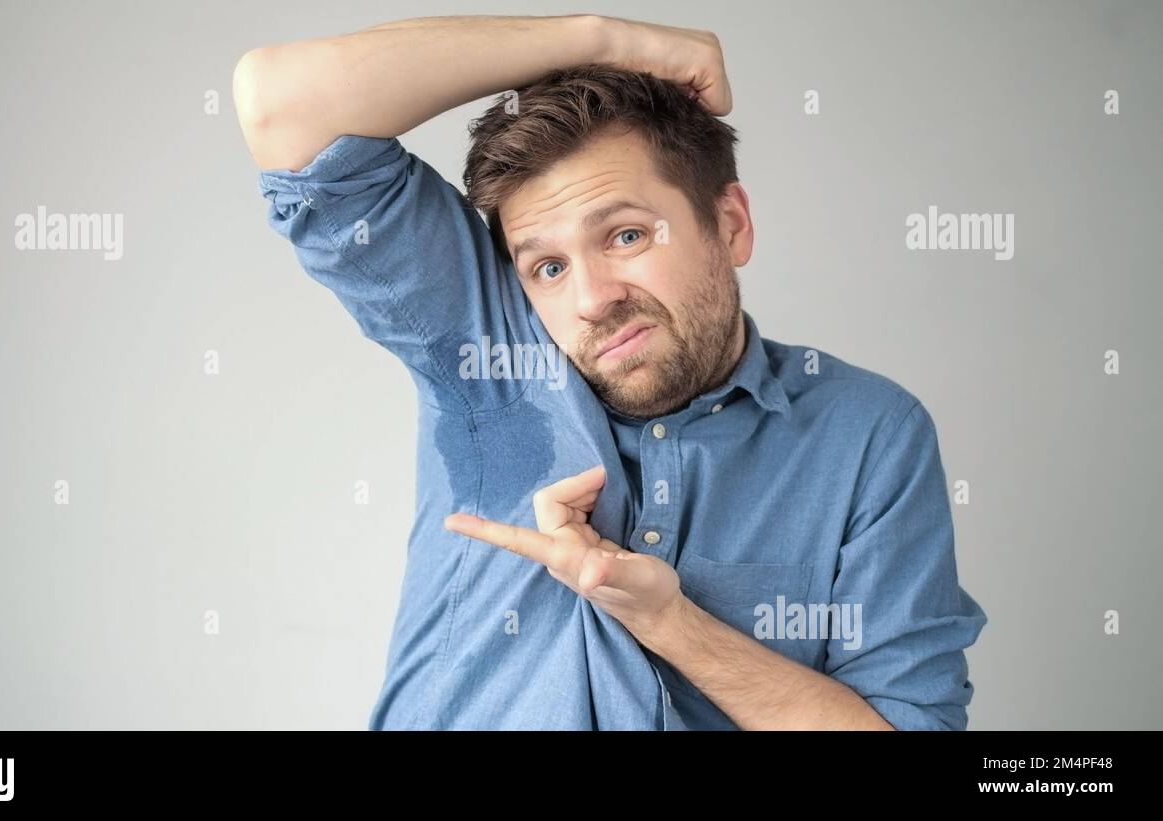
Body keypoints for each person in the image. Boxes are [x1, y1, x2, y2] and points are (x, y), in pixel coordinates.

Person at [234, 13, 986, 730]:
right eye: (549, 265)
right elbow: (281, 103)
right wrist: (602, 36)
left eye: (626, 234)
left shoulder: (867, 433)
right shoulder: (489, 349)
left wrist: (671, 622)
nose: (593, 300)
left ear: (730, 224)